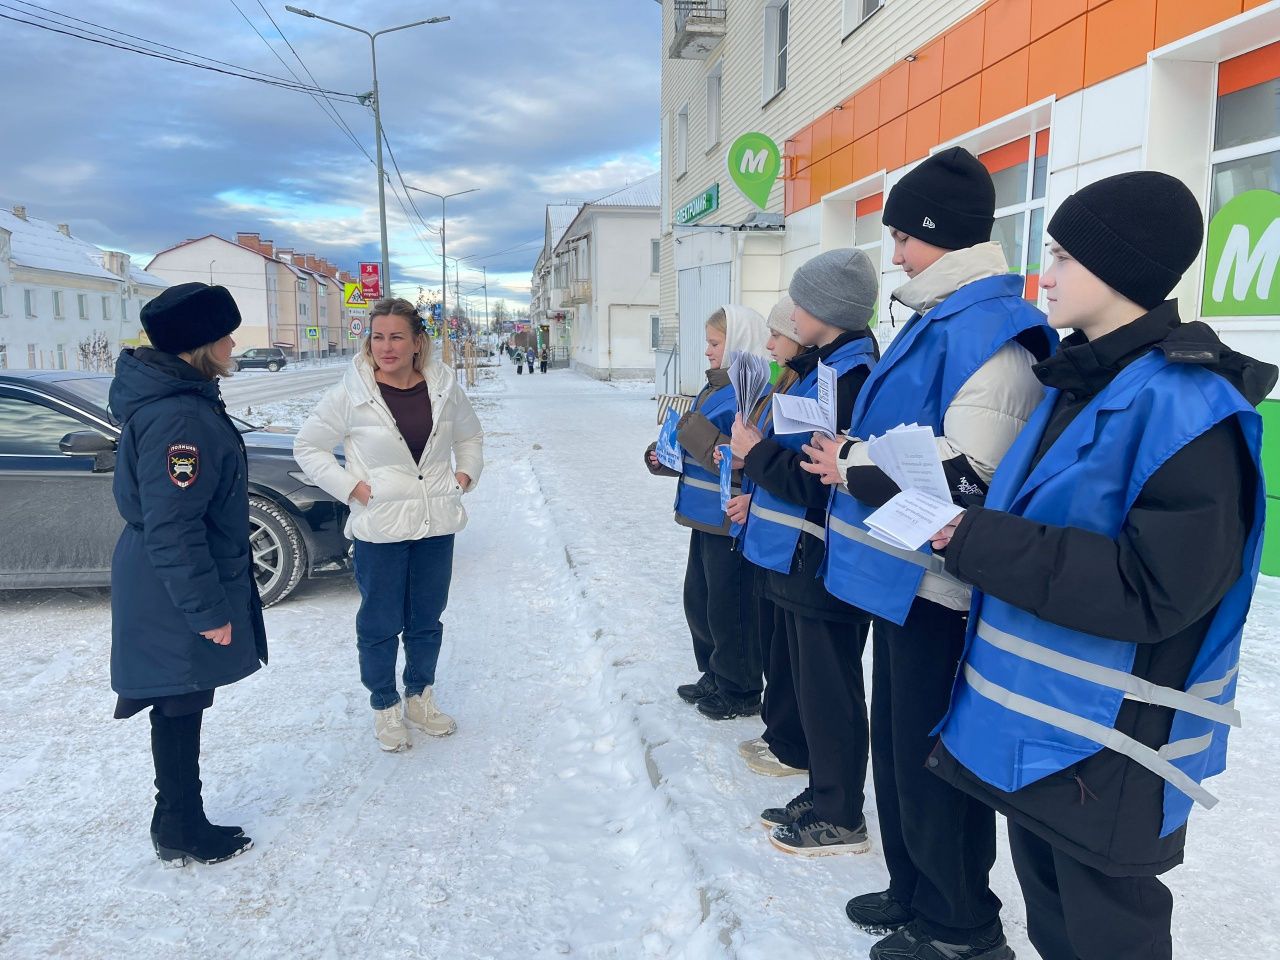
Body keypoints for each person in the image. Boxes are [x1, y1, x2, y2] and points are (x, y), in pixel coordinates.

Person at [923, 172, 1275, 960]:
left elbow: (1154, 590)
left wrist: (974, 539)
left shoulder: (1189, 407)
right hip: (1045, 736)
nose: (1043, 276)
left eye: (1062, 256)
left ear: (1120, 268)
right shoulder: (1082, 381)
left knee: (1106, 937)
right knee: (1057, 930)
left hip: (1109, 750)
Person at [801, 148, 1056, 959]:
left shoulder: (993, 333)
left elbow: (971, 471)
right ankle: (914, 888)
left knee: (935, 761)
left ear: (941, 235)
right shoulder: (943, 317)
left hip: (945, 588)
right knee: (901, 754)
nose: (897, 253)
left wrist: (851, 464)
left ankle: (960, 925)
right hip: (907, 579)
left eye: (905, 237)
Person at [109, 282, 267, 867]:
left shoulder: (183, 400)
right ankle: (180, 825)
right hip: (172, 585)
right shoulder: (180, 416)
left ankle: (177, 819)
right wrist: (206, 611)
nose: (233, 344)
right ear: (199, 345)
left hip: (166, 578)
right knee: (178, 700)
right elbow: (174, 525)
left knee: (181, 699)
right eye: (225, 334)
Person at [730, 254, 881, 857]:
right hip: (800, 556)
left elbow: (822, 479)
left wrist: (756, 454)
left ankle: (841, 814)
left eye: (799, 301)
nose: (790, 314)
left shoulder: (849, 377)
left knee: (830, 690)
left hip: (821, 559)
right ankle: (824, 794)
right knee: (810, 686)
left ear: (825, 309)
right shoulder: (828, 369)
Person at [294, 297, 484, 752]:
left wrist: (464, 475)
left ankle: (419, 698)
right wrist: (353, 489)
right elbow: (308, 446)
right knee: (380, 622)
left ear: (417, 342)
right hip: (380, 528)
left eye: (397, 336)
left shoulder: (443, 386)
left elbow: (470, 435)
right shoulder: (353, 393)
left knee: (426, 619)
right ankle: (384, 704)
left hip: (435, 524)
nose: (386, 346)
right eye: (378, 337)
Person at [644, 305, 771, 719]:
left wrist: (688, 432)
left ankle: (740, 688)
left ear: (738, 343)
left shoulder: (754, 393)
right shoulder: (714, 388)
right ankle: (715, 673)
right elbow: (698, 450)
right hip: (702, 514)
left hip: (728, 519)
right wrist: (664, 455)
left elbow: (740, 457)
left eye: (715, 343)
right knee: (699, 600)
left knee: (730, 606)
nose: (708, 351)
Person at [732, 295, 811, 781]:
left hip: (793, 544)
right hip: (767, 530)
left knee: (797, 658)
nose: (768, 345)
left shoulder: (809, 385)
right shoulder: (784, 383)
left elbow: (795, 468)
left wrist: (750, 461)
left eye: (777, 334)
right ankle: (780, 733)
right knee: (778, 647)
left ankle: (791, 744)